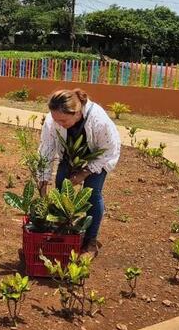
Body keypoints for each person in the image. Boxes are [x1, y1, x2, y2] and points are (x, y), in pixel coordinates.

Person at [37, 88, 120, 256]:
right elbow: (46, 149)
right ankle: (62, 230)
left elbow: (109, 150)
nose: (58, 123)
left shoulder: (98, 120)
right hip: (70, 156)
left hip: (98, 157)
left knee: (91, 193)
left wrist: (84, 172)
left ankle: (91, 241)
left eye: (63, 120)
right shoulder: (53, 120)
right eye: (55, 119)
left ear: (76, 112)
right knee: (61, 187)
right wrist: (43, 179)